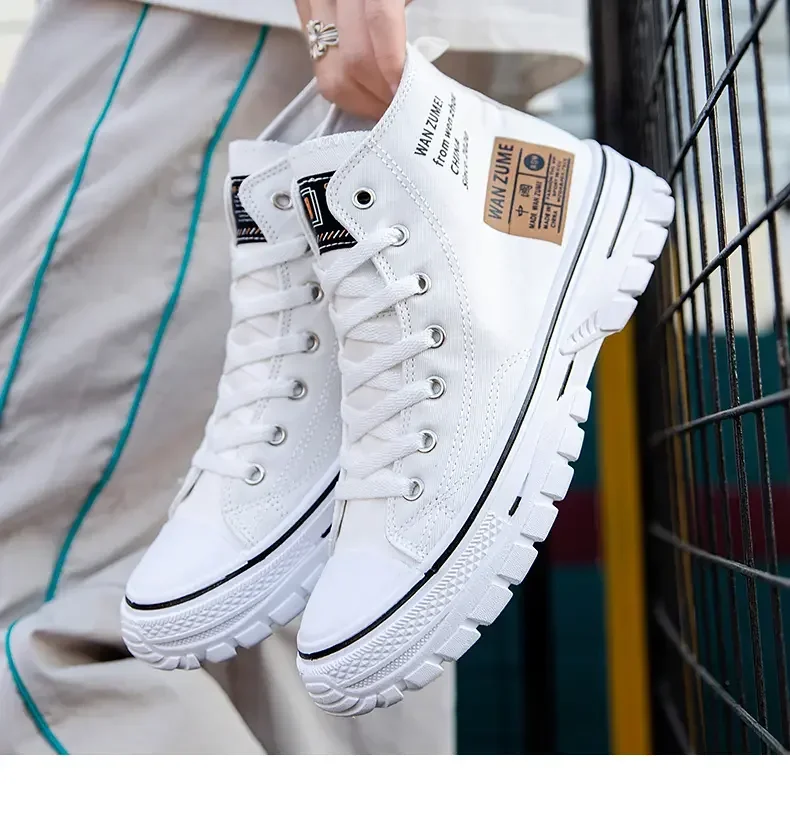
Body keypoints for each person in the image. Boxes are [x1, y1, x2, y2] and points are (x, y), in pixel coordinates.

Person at [0, 1, 588, 753]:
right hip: (346, 34)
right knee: (335, 619)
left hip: (238, 26)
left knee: (44, 613)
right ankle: (530, 229)